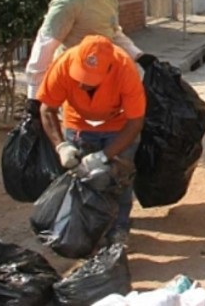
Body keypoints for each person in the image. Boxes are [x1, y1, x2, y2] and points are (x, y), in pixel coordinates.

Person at [24, 0, 156, 118]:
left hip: (105, 80)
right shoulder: (69, 1)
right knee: (77, 133)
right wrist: (34, 97)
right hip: (76, 82)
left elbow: (114, 32)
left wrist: (138, 55)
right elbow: (45, 44)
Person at [37, 34, 146, 246]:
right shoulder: (63, 65)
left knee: (119, 180)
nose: (82, 84)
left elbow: (135, 122)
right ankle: (84, 230)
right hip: (78, 125)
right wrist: (62, 146)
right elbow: (47, 109)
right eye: (80, 77)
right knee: (82, 181)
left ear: (108, 70)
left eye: (90, 80)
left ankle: (118, 230)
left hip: (118, 126)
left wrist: (105, 155)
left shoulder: (125, 69)